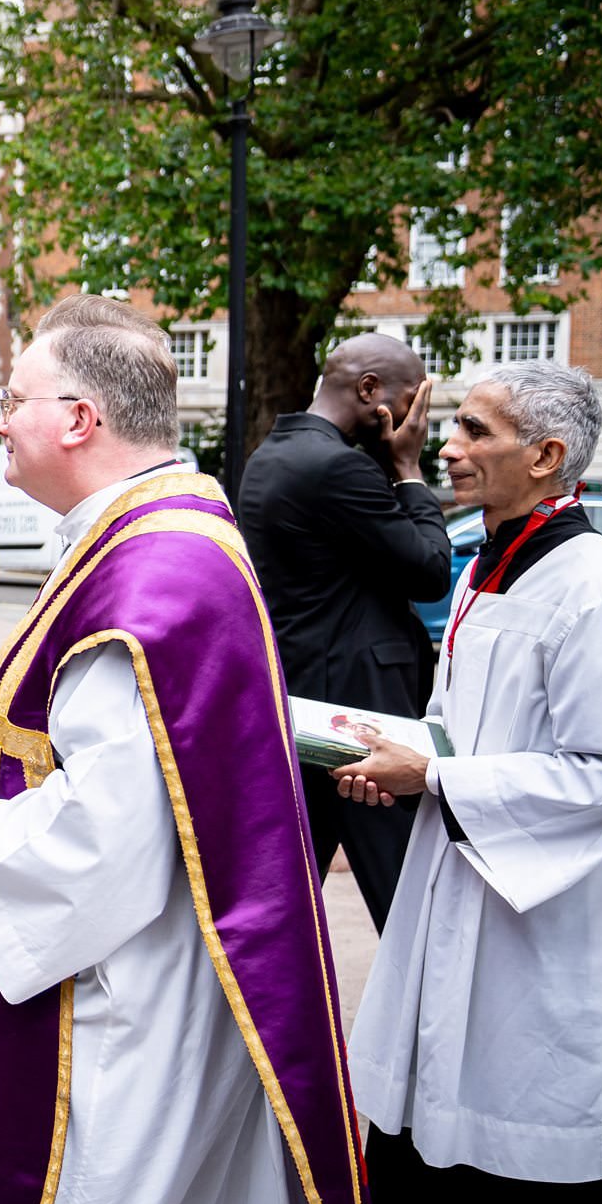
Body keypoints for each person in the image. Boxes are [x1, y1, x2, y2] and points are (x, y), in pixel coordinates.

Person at [0, 295, 377, 1204]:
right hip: (162, 962)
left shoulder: (152, 572)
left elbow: (107, 837)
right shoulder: (161, 530)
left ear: (82, 417)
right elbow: (121, 734)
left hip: (127, 998)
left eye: (12, 401)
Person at [332, 361, 602, 1204]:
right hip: (458, 889)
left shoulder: (590, 588)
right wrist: (404, 760)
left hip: (536, 922)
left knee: (511, 1166)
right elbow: (472, 732)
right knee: (426, 1135)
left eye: (474, 429)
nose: (447, 443)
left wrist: (443, 779)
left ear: (545, 458)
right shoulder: (492, 560)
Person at [239, 333, 451, 929]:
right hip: (359, 718)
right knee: (407, 900)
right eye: (412, 403)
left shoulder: (272, 455)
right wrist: (407, 469)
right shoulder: (339, 467)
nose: (416, 421)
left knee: (286, 899)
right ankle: (425, 1017)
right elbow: (431, 570)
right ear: (370, 392)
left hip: (308, 698)